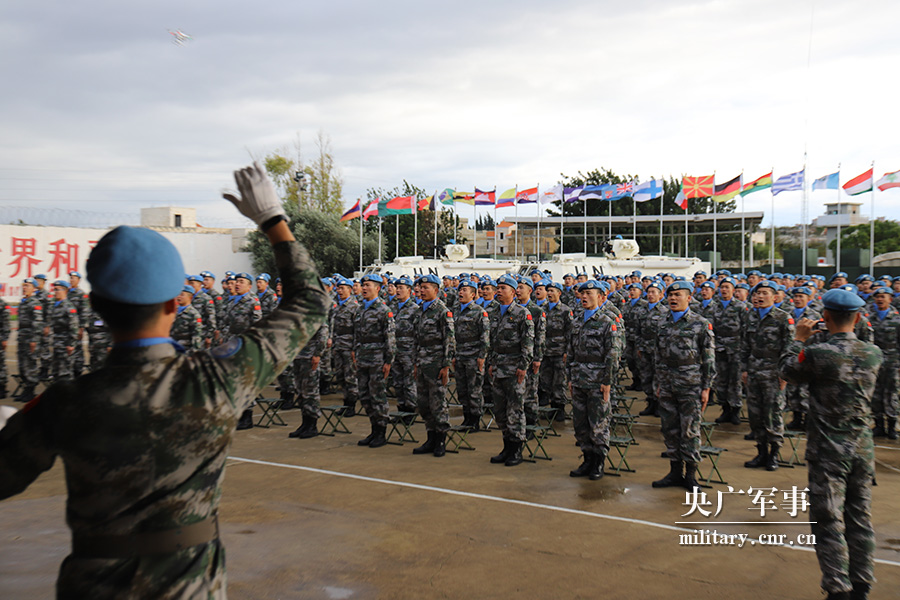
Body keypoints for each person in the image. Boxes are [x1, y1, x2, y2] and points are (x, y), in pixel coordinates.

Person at [0, 162, 328, 598]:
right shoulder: (218, 379)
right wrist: (272, 221)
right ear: (175, 303)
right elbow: (309, 303)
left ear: (95, 306)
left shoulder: (65, 403)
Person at [780, 289, 882, 600]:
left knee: (827, 519)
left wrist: (798, 338)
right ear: (859, 317)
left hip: (828, 449)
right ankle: (862, 583)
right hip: (862, 447)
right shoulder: (873, 353)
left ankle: (838, 588)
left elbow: (787, 371)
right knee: (859, 515)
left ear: (824, 318)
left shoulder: (818, 353)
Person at [651, 281, 716, 490]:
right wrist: (659, 382)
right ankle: (674, 471)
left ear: (689, 298)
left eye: (678, 295)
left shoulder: (700, 324)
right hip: (668, 383)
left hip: (691, 384)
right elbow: (658, 356)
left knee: (689, 430)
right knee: (670, 429)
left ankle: (691, 474)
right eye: (670, 295)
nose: (673, 298)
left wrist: (706, 388)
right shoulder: (662, 323)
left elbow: (708, 358)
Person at [567, 280, 620, 480]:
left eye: (589, 293)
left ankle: (598, 462)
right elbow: (571, 351)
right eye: (582, 293)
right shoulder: (577, 321)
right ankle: (587, 459)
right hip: (579, 378)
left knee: (598, 423)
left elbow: (612, 354)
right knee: (580, 424)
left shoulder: (608, 321)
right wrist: (570, 377)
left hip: (598, 381)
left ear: (601, 296)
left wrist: (608, 381)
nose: (584, 297)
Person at [741, 280, 795, 470]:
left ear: (775, 297)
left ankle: (773, 454)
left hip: (774, 372)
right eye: (757, 293)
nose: (760, 296)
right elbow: (745, 344)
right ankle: (761, 452)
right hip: (754, 371)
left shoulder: (783, 318)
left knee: (773, 414)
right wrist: (744, 369)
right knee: (755, 414)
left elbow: (789, 348)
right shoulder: (750, 316)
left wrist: (784, 373)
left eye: (765, 293)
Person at [487, 274, 534, 467]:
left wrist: (523, 366)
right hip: (498, 367)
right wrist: (491, 362)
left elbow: (528, 343)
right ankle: (506, 446)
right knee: (500, 410)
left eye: (503, 288)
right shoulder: (493, 313)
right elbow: (491, 341)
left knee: (515, 409)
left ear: (513, 293)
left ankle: (516, 449)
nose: (498, 291)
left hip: (515, 368)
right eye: (497, 288)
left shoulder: (523, 314)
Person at [352, 274, 396, 448]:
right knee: (364, 395)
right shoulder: (360, 308)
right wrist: (355, 352)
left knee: (377, 395)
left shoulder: (384, 310)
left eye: (368, 285)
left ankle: (381, 431)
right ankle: (373, 428)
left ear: (377, 288)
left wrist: (388, 361)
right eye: (363, 285)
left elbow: (390, 338)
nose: (364, 288)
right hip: (363, 357)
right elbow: (356, 333)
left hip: (377, 358)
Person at [453, 280, 490, 430]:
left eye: (465, 290)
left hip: (474, 356)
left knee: (474, 389)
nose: (461, 292)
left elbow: (485, 336)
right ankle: (466, 417)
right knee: (462, 389)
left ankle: (475, 419)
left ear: (473, 294)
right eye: (460, 290)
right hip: (460, 355)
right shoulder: (455, 310)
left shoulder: (479, 312)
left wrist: (482, 356)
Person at [48, 280, 80, 383]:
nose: (55, 292)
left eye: (58, 289)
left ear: (65, 291)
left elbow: (74, 326)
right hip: (57, 342)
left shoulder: (69, 307)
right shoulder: (55, 305)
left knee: (65, 372)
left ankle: (67, 395)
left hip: (65, 343)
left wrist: (71, 344)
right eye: (54, 289)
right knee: (56, 371)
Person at [171, 285, 203, 351]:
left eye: (182, 295)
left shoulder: (194, 314)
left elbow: (196, 336)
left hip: (185, 350)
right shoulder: (173, 311)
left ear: (190, 297)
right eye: (178, 294)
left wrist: (193, 354)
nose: (179, 297)